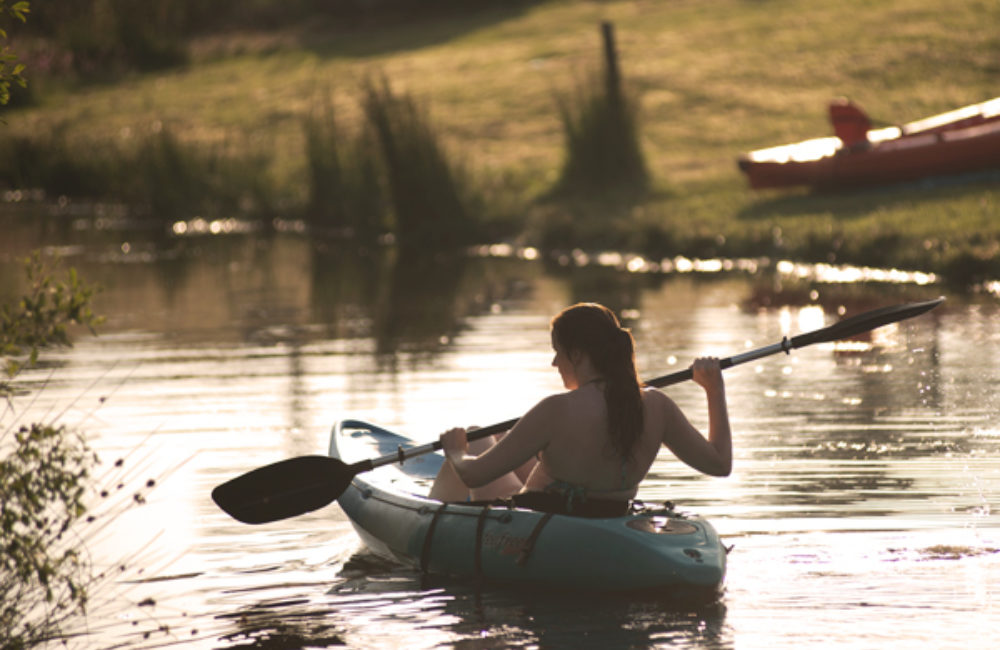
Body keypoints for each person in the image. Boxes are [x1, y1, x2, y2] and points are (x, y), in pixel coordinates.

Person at [428, 302, 732, 517]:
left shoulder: (556, 410)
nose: (554, 363)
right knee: (501, 436)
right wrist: (713, 389)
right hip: (606, 513)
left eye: (557, 353)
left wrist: (455, 451)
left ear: (576, 355)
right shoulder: (657, 405)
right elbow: (720, 464)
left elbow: (474, 476)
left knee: (475, 437)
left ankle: (426, 522)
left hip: (540, 520)